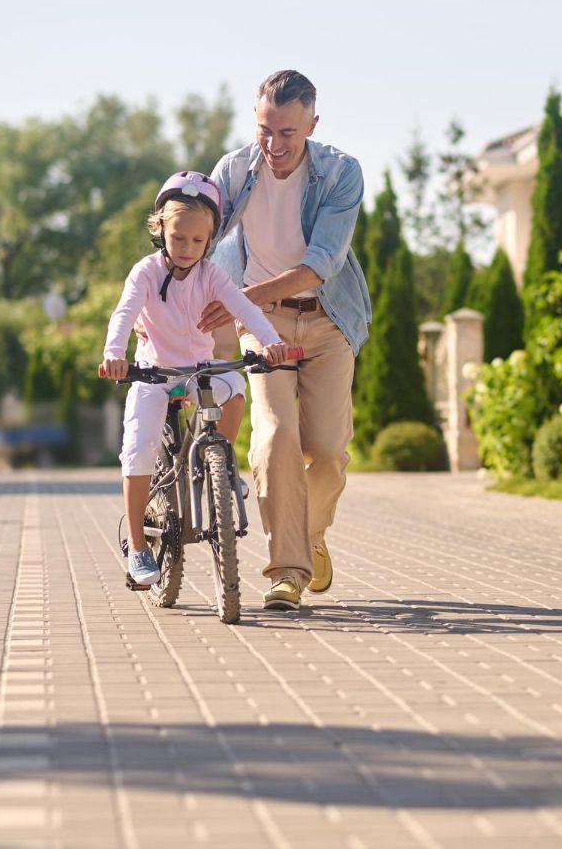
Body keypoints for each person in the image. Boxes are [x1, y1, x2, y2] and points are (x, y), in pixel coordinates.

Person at [200, 70, 371, 611]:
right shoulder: (233, 169)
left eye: (287, 134)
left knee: (325, 451)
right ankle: (288, 570)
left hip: (327, 320)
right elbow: (196, 235)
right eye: (263, 130)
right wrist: (158, 292)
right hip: (263, 325)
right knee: (274, 438)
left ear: (312, 125)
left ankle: (311, 535)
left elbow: (322, 262)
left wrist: (242, 296)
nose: (272, 146)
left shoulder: (341, 173)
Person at [101, 170, 287, 587]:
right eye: (178, 238)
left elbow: (246, 309)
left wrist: (271, 341)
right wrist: (115, 353)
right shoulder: (145, 273)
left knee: (236, 389)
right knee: (139, 446)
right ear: (160, 229)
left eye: (198, 241)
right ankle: (138, 544)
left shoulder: (212, 275)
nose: (187, 249)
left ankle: (219, 467)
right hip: (154, 373)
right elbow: (124, 314)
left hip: (199, 373)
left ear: (210, 240)